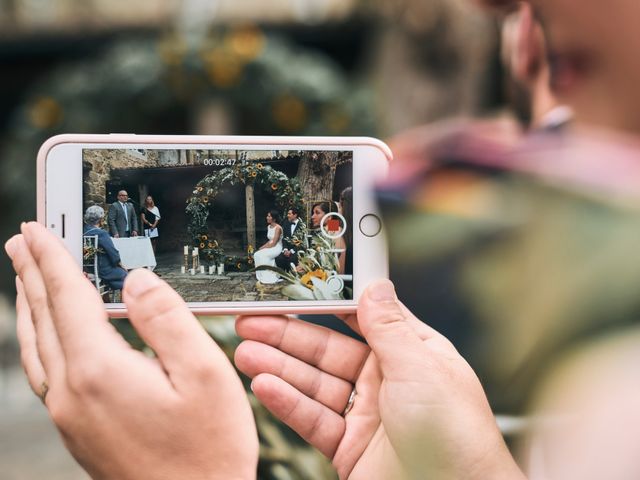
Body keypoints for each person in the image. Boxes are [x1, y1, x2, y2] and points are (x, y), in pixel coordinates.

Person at [83, 205, 128, 290]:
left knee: (116, 279)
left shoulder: (84, 231)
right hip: (103, 269)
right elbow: (112, 252)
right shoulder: (101, 233)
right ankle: (126, 301)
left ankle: (107, 299)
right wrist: (120, 264)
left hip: (87, 268)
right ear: (101, 219)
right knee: (126, 275)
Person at [253, 210, 283, 285]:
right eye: (267, 216)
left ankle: (269, 276)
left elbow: (274, 243)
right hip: (270, 245)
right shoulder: (268, 227)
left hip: (277, 247)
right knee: (256, 254)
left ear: (274, 218)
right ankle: (261, 276)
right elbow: (270, 241)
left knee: (263, 255)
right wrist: (262, 247)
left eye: (269, 216)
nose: (267, 217)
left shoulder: (278, 228)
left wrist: (264, 248)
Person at [275, 207, 307, 272]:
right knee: (278, 258)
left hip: (297, 250)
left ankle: (293, 275)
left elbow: (301, 242)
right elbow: (284, 239)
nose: (287, 215)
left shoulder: (302, 225)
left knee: (292, 258)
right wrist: (285, 249)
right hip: (287, 249)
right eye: (288, 214)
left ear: (295, 215)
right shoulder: (286, 224)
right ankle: (283, 275)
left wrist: (291, 251)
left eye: (289, 214)